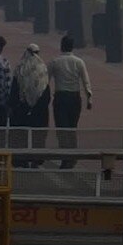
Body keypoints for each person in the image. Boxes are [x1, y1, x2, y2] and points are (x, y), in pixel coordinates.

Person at [48, 34, 92, 166]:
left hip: (60, 97)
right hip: (74, 97)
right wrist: (89, 99)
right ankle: (72, 156)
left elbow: (45, 80)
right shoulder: (79, 62)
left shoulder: (54, 62)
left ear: (61, 46)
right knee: (72, 128)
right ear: (72, 47)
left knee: (62, 128)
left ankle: (65, 156)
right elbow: (86, 82)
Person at [9, 43, 51, 159]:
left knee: (20, 136)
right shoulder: (42, 68)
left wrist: (14, 107)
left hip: (22, 109)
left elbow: (14, 90)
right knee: (38, 136)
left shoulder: (20, 67)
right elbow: (46, 91)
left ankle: (20, 159)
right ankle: (37, 159)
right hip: (39, 110)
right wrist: (39, 108)